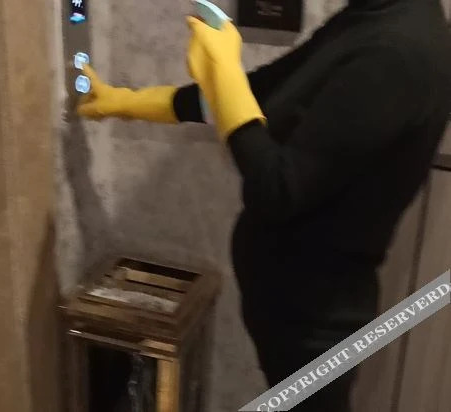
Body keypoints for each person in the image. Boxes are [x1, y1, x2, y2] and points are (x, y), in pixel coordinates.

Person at [78, 0, 451, 410]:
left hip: (314, 320)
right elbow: (263, 92)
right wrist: (127, 102)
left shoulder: (397, 53)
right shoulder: (375, 15)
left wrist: (224, 71)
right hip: (292, 309)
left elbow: (277, 189)